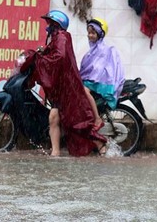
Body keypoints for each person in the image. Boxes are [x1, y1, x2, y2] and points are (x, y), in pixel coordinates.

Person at [21, 10, 107, 157]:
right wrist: (43, 54)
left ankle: (100, 145)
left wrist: (41, 60)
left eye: (50, 23)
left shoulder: (61, 37)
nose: (47, 26)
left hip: (66, 87)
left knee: (74, 120)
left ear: (56, 24)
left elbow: (59, 58)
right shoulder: (56, 38)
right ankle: (55, 153)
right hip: (60, 86)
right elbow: (55, 56)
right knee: (54, 118)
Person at [80, 17, 125, 129]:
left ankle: (97, 118)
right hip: (93, 80)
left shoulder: (104, 50)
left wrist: (88, 78)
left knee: (84, 91)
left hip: (101, 82)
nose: (90, 35)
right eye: (89, 33)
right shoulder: (93, 50)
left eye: (93, 33)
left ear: (100, 35)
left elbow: (98, 70)